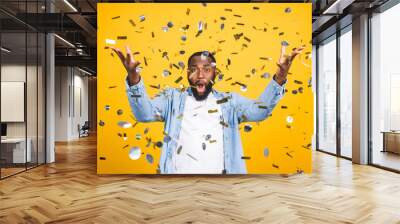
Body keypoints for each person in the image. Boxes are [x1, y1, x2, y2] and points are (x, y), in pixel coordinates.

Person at [111, 45, 304, 174]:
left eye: (206, 69)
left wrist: (280, 76)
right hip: (176, 183)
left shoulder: (230, 102)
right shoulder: (172, 99)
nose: (200, 75)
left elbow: (260, 111)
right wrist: (133, 75)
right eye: (194, 69)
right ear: (187, 73)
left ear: (215, 74)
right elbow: (143, 114)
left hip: (222, 184)